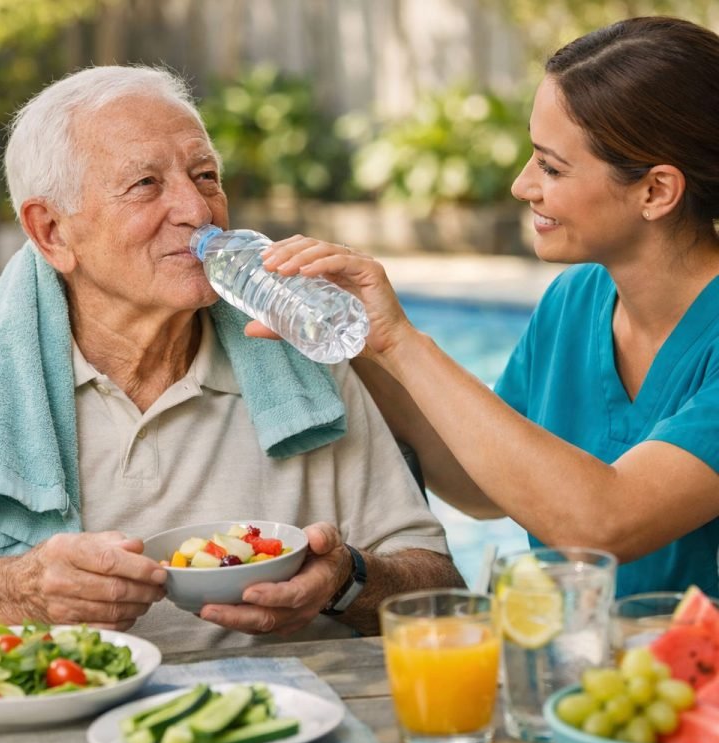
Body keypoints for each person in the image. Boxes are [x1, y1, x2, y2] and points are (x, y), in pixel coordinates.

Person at [0, 65, 463, 653]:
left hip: (290, 718)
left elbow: (441, 593)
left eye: (206, 176)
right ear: (52, 233)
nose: (198, 210)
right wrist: (15, 592)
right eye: (146, 183)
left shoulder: (300, 355)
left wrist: (345, 581)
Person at [256, 16, 719, 599]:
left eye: (551, 167)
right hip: (579, 672)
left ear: (655, 191)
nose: (522, 186)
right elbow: (482, 486)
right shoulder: (576, 302)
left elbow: (604, 523)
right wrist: (369, 345)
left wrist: (405, 341)